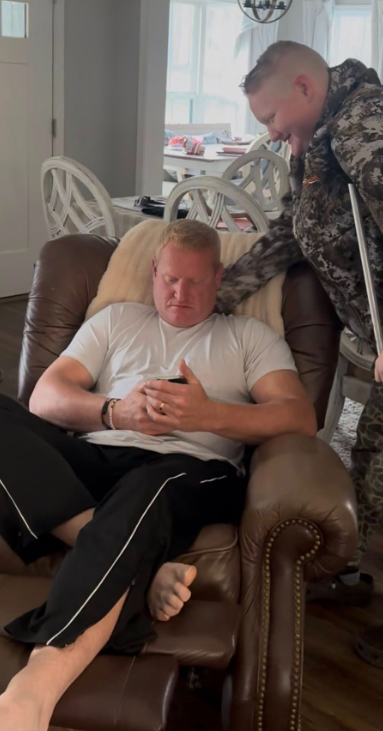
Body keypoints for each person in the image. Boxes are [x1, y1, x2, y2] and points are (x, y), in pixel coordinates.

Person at [0, 219, 316, 730]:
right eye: (170, 279)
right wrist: (114, 413)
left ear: (218, 277)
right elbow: (45, 397)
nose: (179, 294)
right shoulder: (116, 320)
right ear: (153, 271)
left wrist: (208, 415)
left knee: (148, 488)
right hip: (101, 457)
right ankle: (139, 563)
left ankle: (35, 689)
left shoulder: (249, 337)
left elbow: (299, 417)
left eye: (195, 281)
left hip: (191, 469)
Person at [215, 40, 383, 667]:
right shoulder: (316, 141)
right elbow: (293, 231)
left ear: (303, 87)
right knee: (370, 459)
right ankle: (346, 575)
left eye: (271, 118)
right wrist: (222, 293)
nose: (269, 133)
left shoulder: (365, 126)